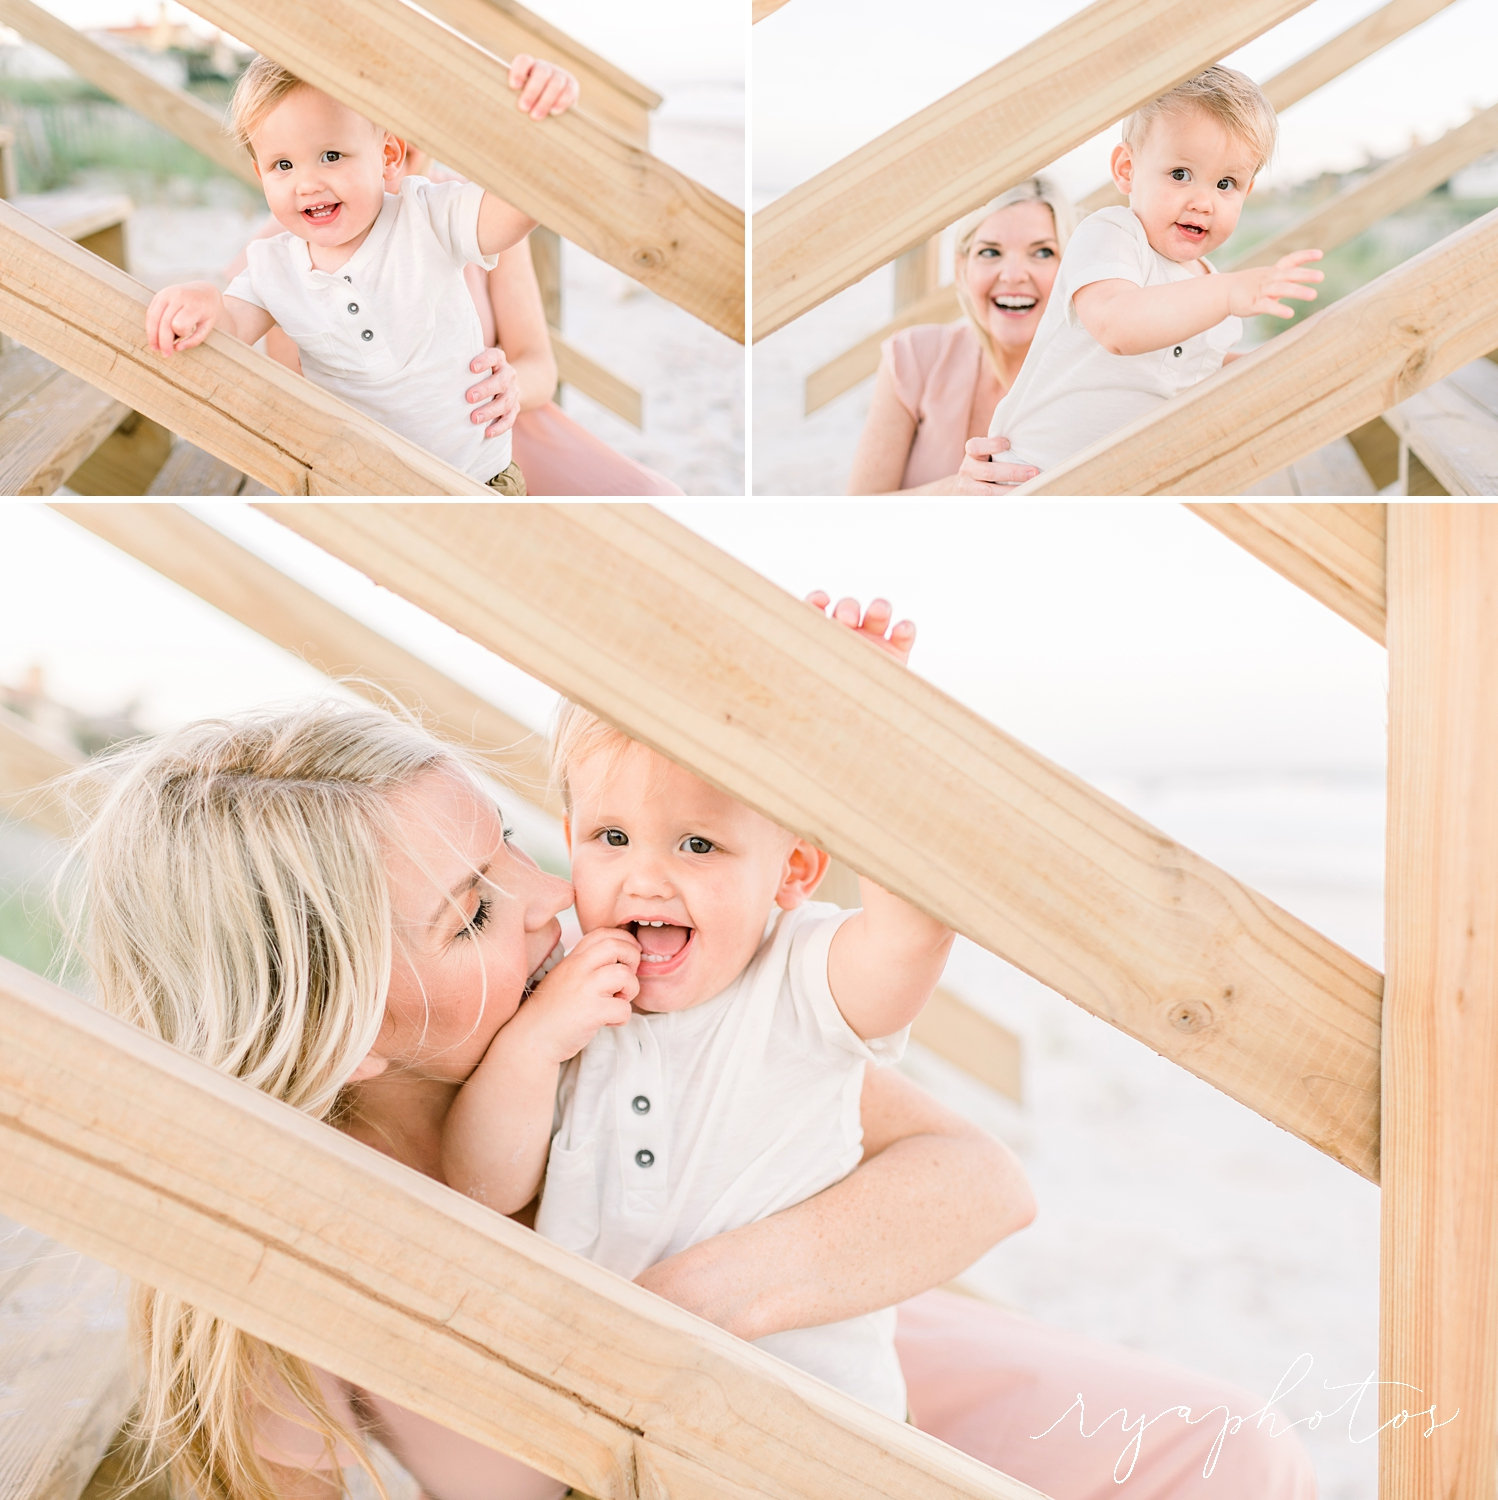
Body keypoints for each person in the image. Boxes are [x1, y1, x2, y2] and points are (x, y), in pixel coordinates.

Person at [69, 677, 1317, 1493]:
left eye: (516, 840)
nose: (561, 894)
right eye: (474, 913)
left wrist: (694, 1305)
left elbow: (976, 1180)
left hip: (817, 1325)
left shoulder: (626, 1002)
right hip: (701, 1458)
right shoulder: (279, 1291)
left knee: (1225, 1450)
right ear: (341, 1032)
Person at [443, 647, 954, 1416]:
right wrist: (535, 1044)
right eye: (611, 839)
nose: (644, 879)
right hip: (615, 1420)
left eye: (697, 845)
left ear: (793, 872)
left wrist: (869, 743)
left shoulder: (802, 978)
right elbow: (483, 1184)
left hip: (818, 1427)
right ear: (573, 834)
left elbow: (912, 939)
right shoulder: (561, 1002)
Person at [143, 56, 575, 494]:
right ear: (261, 173)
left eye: (331, 156)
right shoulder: (272, 264)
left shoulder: (428, 214)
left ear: (388, 154)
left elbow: (519, 208)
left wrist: (540, 116)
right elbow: (232, 323)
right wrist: (204, 300)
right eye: (283, 166)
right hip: (354, 490)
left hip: (474, 481)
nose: (306, 184)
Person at [977, 66, 1322, 481]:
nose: (1203, 202)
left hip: (1118, 480)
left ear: (1247, 192)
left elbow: (1197, 369)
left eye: (1226, 184)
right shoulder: (1112, 236)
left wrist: (1279, 362)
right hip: (1032, 473)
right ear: (1126, 169)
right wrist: (1227, 292)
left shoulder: (1206, 282)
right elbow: (1117, 325)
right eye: (1180, 175)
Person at [847, 177, 1075, 494]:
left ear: (1070, 268)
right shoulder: (913, 357)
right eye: (990, 252)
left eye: (1042, 253)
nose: (1013, 275)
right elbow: (854, 515)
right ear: (961, 269)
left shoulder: (1093, 375)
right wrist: (953, 492)